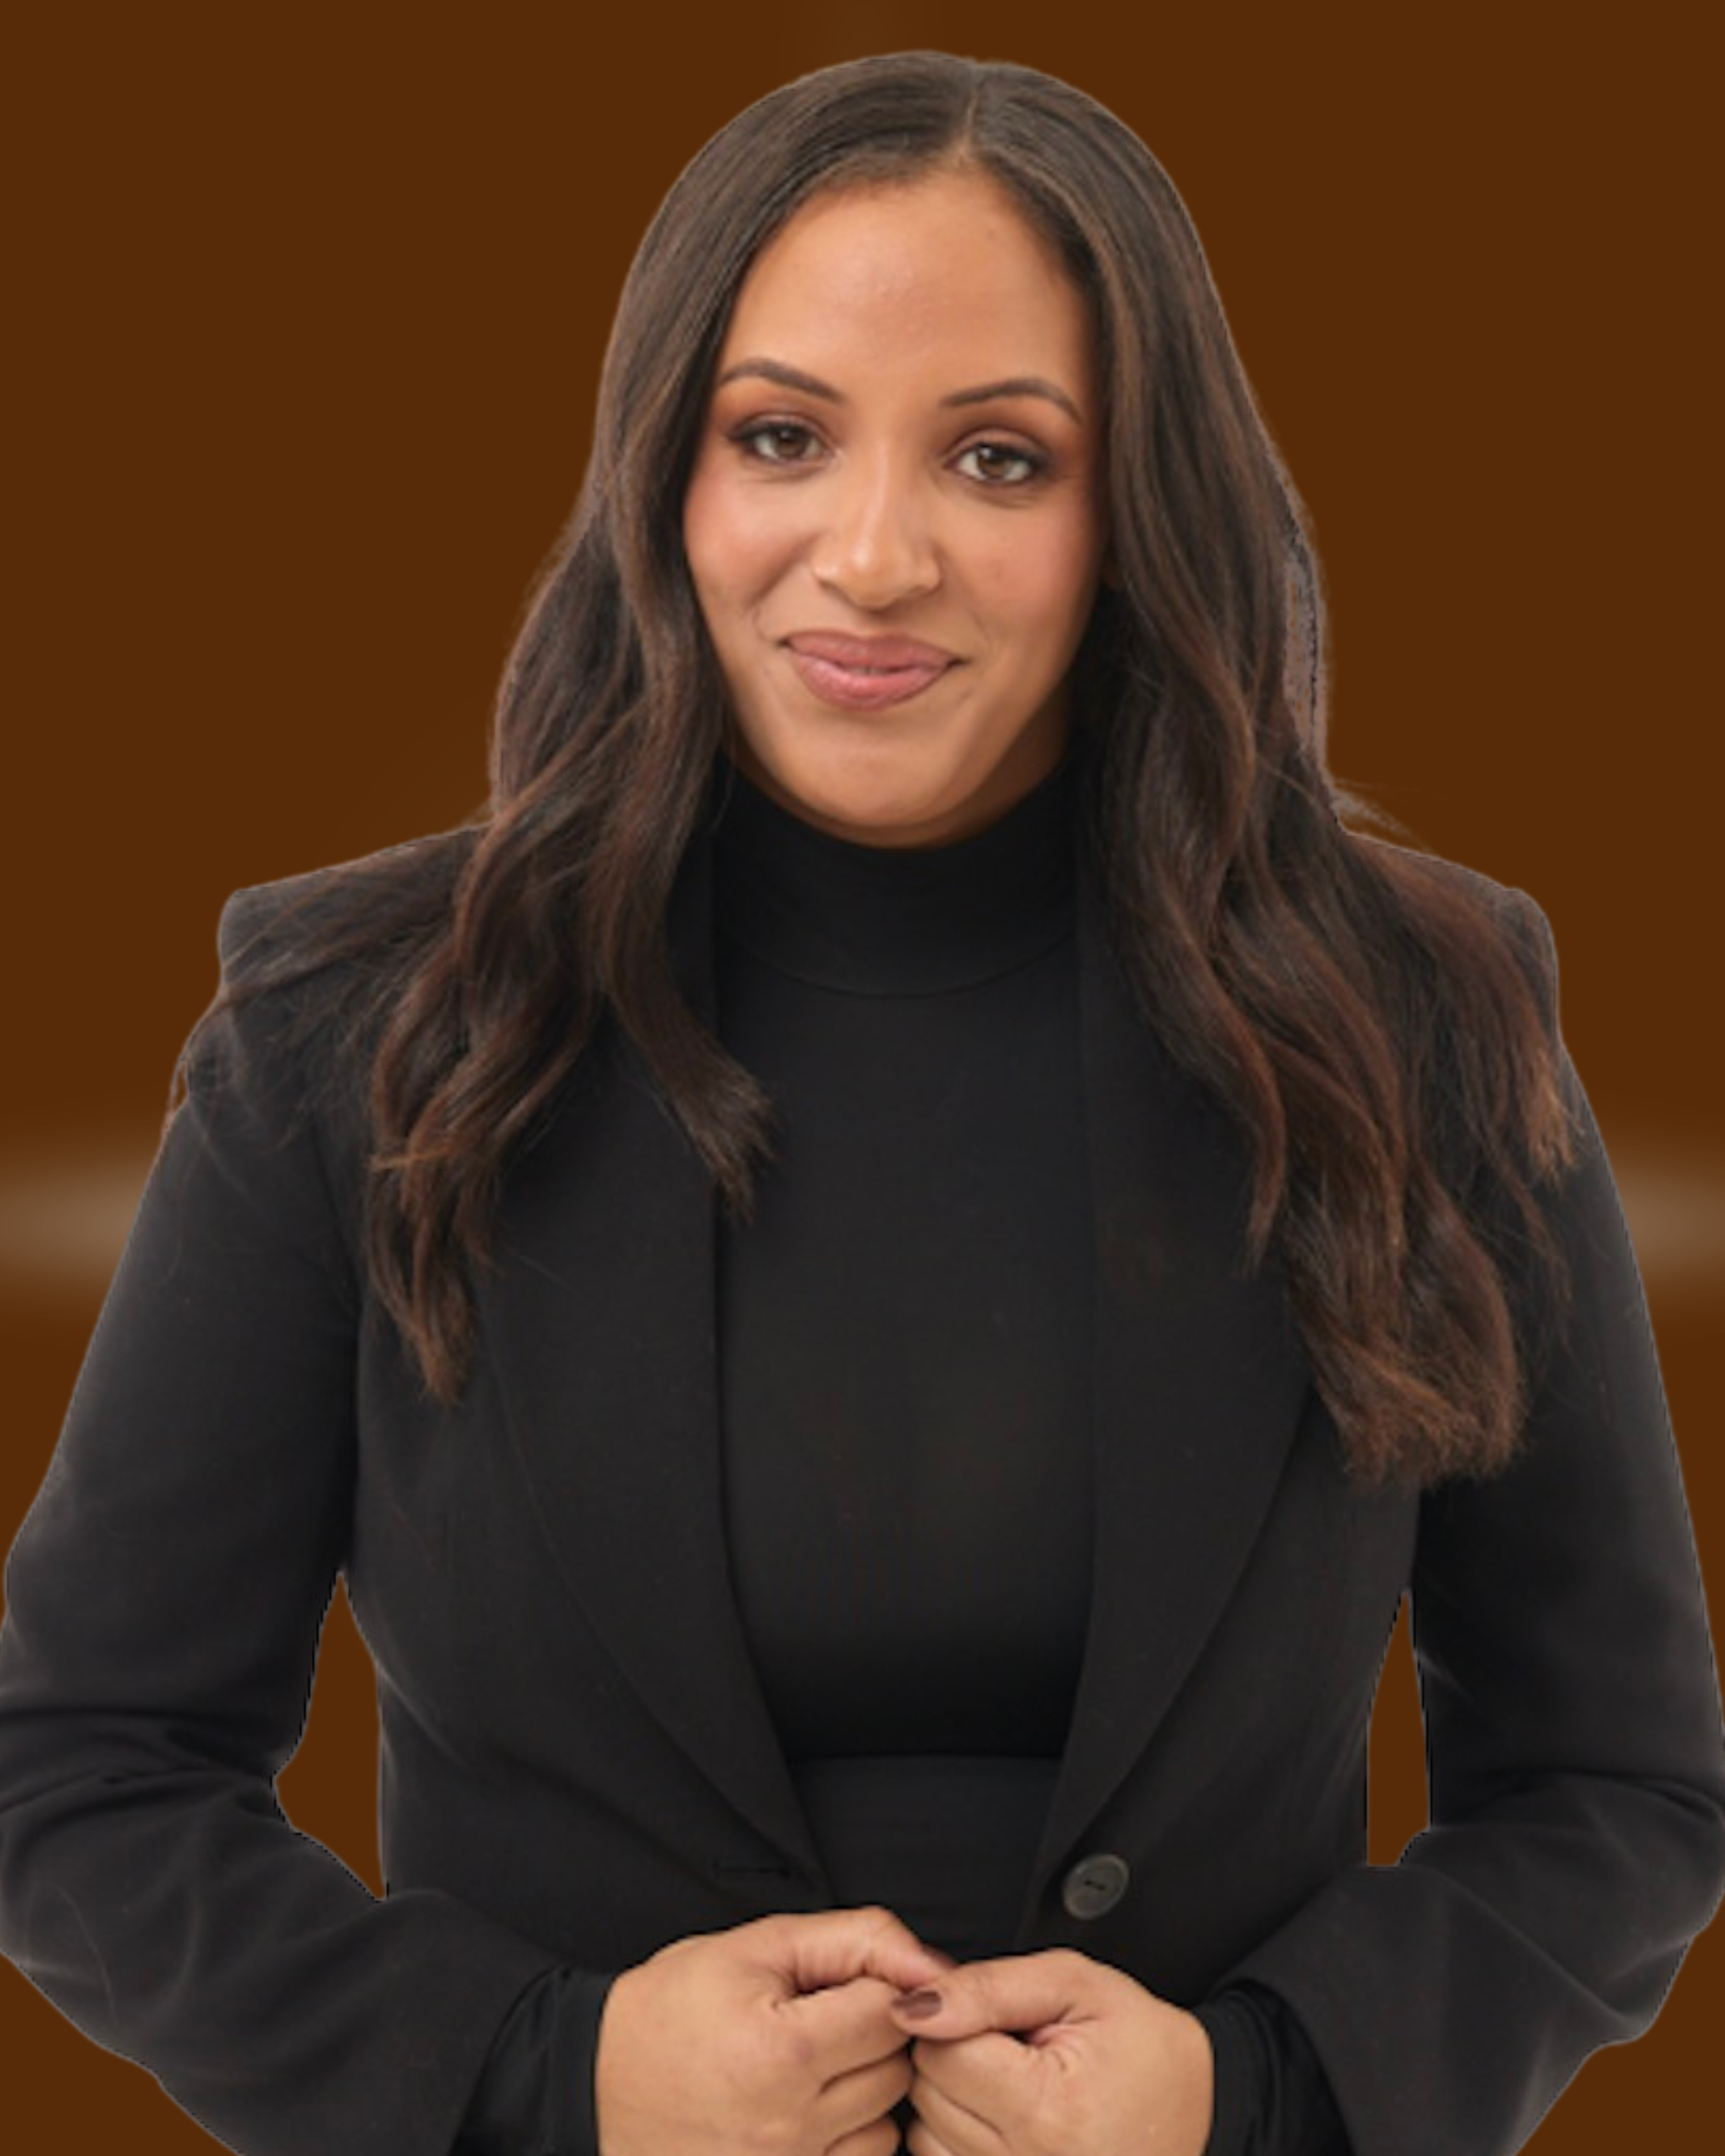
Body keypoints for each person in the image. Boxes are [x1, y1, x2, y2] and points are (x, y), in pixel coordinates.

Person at [0, 46, 1720, 2156]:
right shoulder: (349, 1035)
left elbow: (1614, 1788)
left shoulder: (1422, 1024)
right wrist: (542, 2075)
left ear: (1135, 508)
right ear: (669, 475)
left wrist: (1254, 2093)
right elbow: (78, 1764)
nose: (872, 552)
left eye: (999, 458)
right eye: (782, 436)